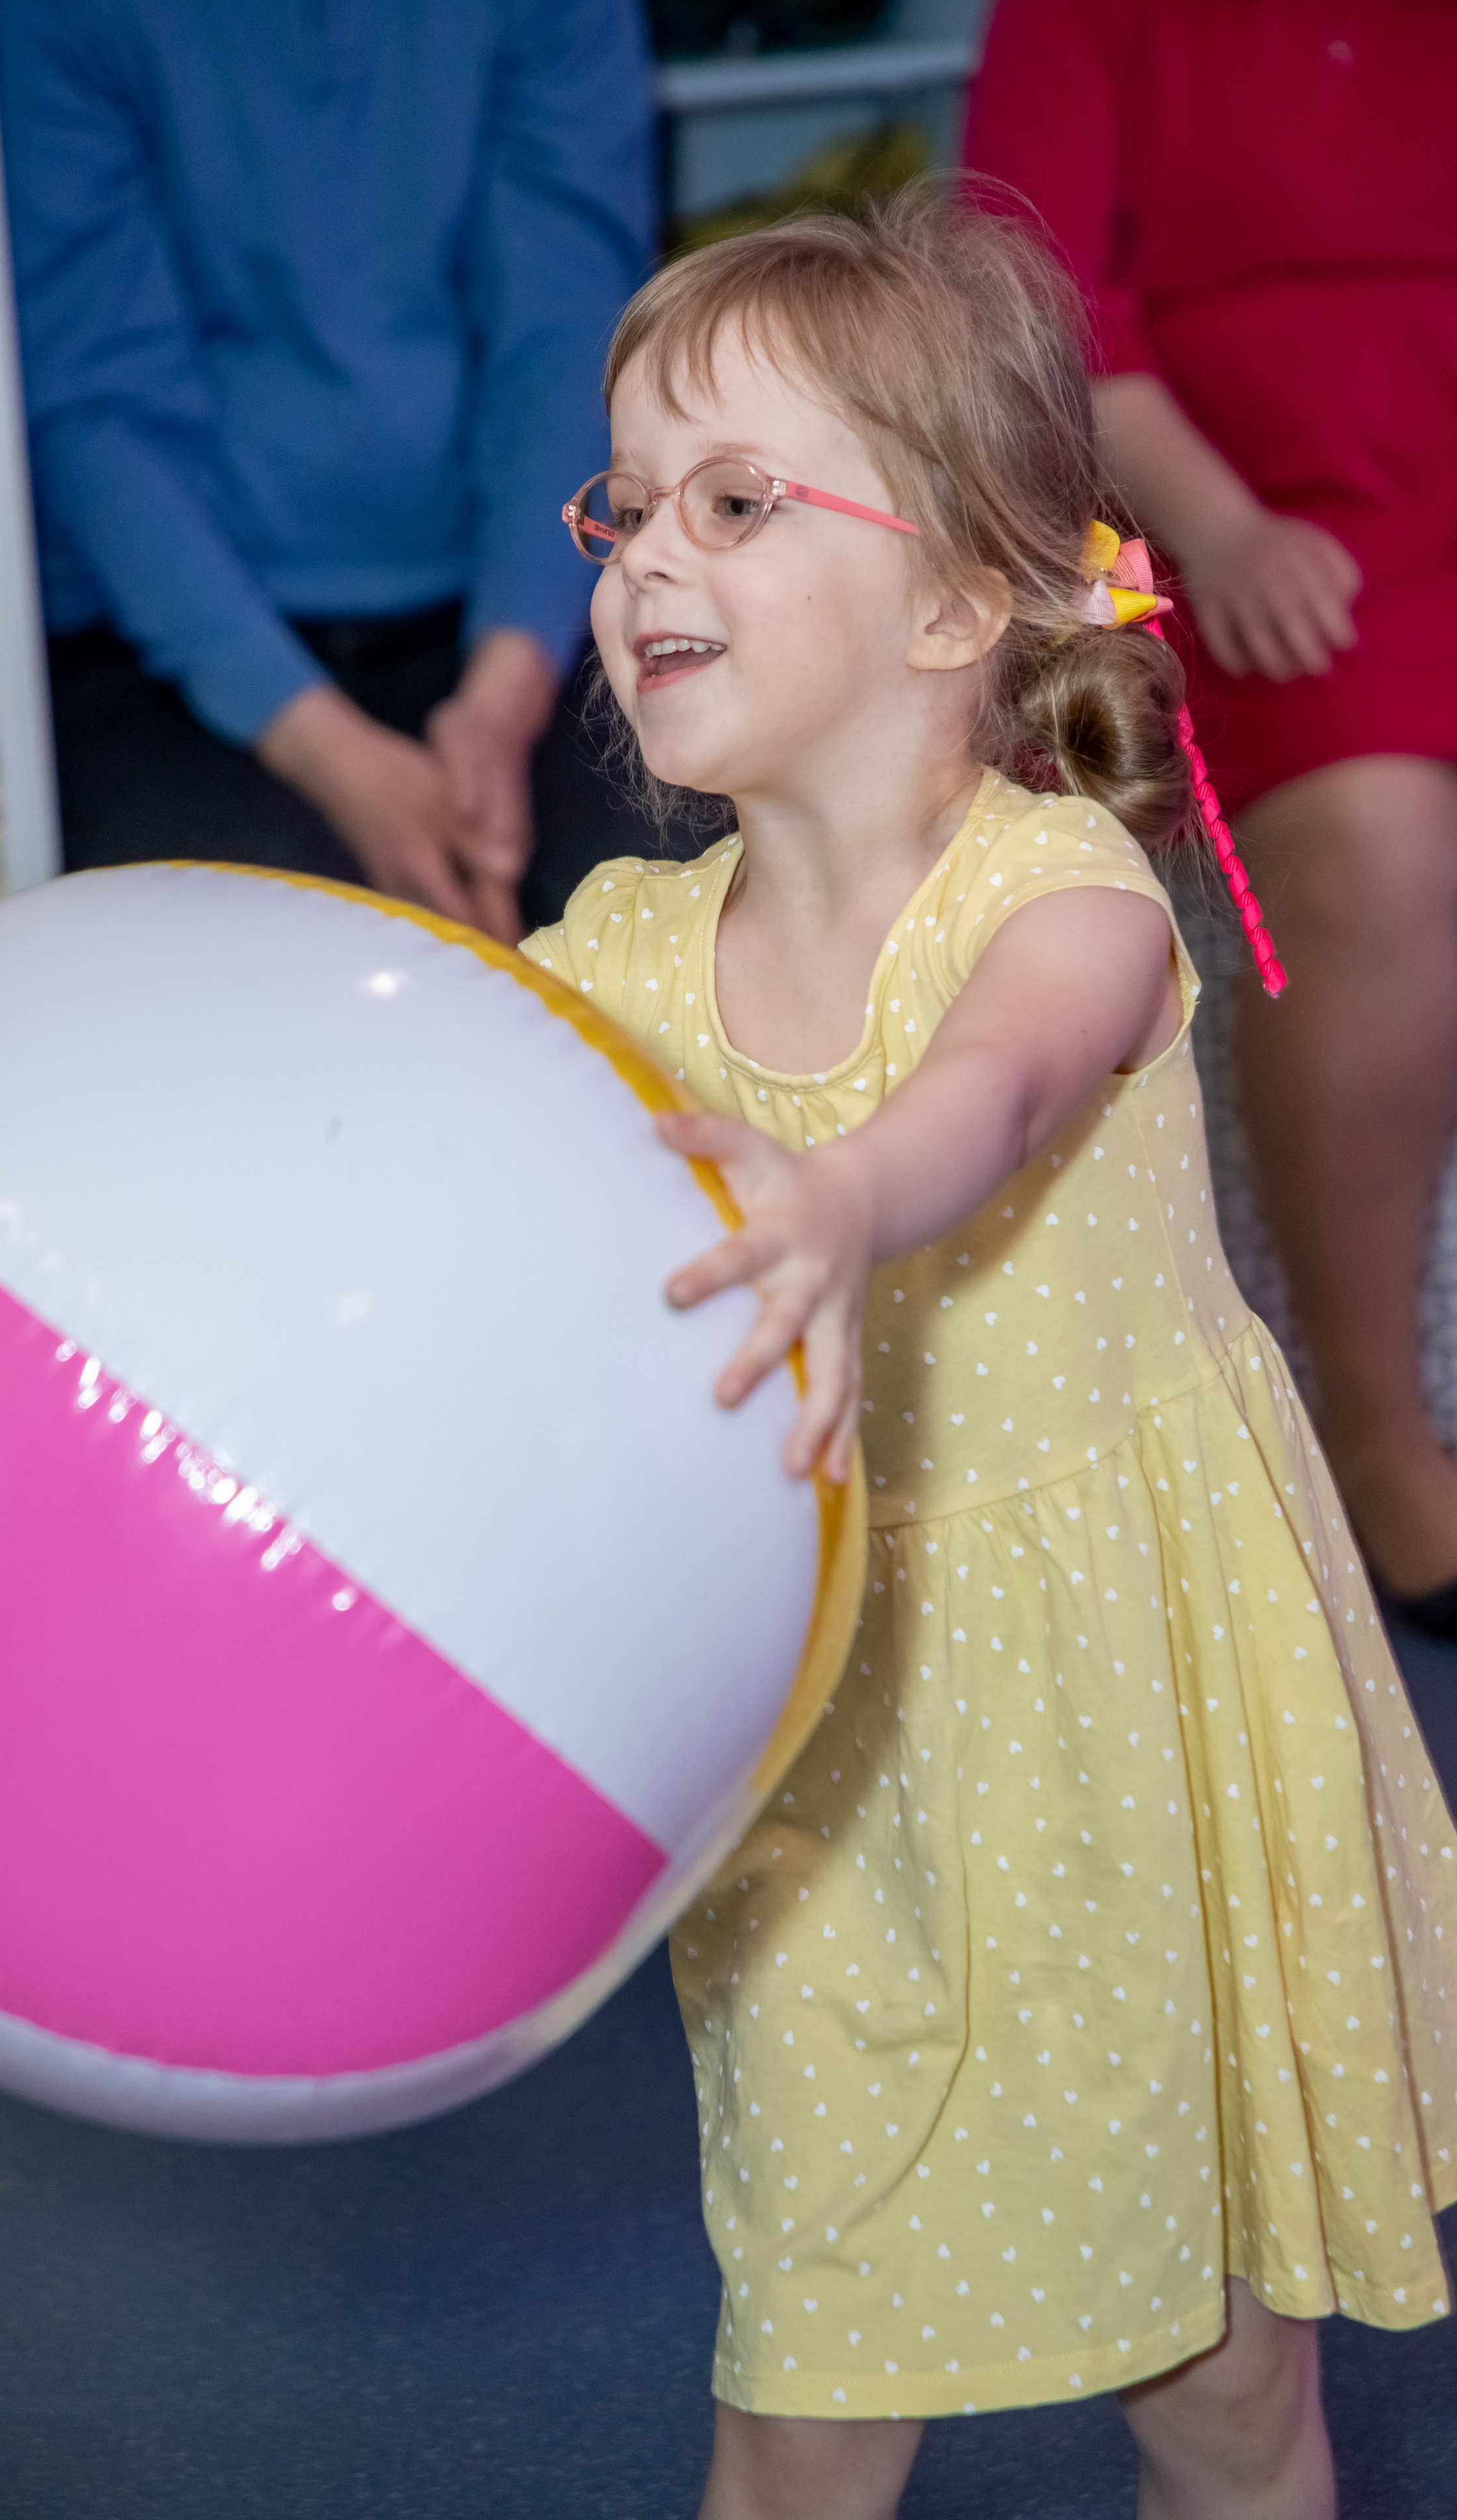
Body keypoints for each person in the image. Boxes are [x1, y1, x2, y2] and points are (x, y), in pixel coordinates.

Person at [523, 191, 1456, 2519]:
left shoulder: (1064, 895)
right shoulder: (620, 953)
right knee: (804, 2389)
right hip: (824, 1754)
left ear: (955, 596)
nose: (648, 557)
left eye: (736, 503)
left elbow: (1008, 1088)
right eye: (625, 502)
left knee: (1223, 2387)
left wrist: (840, 1191)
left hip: (1132, 1725)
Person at [963, 0, 1457, 1630]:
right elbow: (1027, 303)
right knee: (1377, 843)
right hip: (1236, 538)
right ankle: (1378, 1439)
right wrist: (1222, 531)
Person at [0, 0, 658, 942]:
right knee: (275, 966)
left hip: (519, 606)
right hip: (159, 642)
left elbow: (566, 344)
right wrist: (329, 754)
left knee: (684, 906)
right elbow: (97, 410)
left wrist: (503, 701)